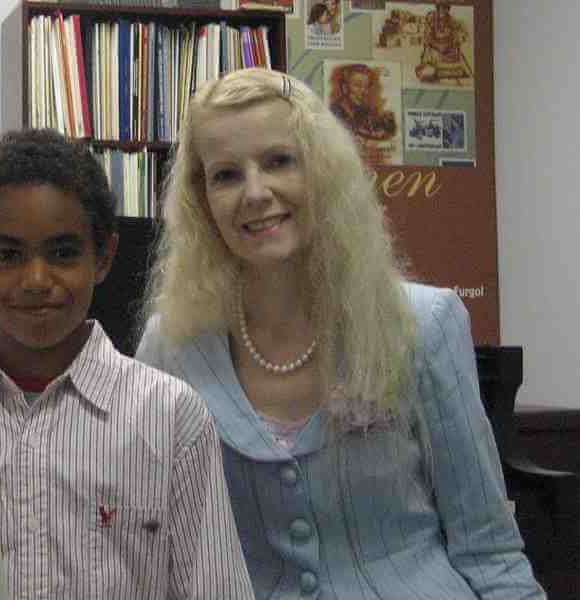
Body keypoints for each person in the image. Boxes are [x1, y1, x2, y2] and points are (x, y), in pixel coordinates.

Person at [136, 68, 546, 598]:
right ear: (201, 200)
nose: (255, 193)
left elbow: (488, 547)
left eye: (279, 161)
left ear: (324, 171)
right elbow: (151, 549)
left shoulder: (424, 325)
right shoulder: (171, 347)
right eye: (226, 175)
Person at [0, 128, 255, 599]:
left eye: (63, 253)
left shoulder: (173, 417)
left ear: (103, 256)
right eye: (9, 255)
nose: (36, 279)